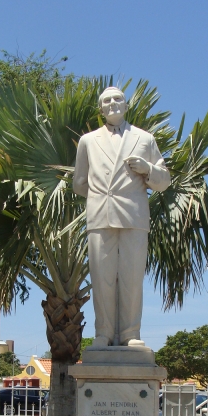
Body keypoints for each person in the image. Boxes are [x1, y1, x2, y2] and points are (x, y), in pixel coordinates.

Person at [73, 86, 171, 348]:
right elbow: (79, 182)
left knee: (132, 277)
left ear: (126, 105)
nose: (113, 103)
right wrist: (100, 196)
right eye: (107, 100)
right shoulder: (88, 141)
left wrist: (147, 168)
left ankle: (130, 334)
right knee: (101, 279)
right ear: (101, 108)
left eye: (118, 99)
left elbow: (164, 181)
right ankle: (103, 333)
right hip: (99, 216)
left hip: (134, 217)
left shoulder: (145, 138)